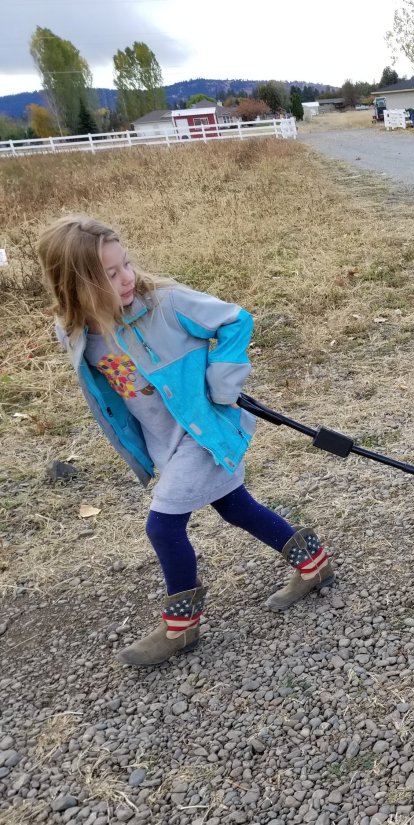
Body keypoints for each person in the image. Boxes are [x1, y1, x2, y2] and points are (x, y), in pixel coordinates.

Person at [37, 215, 335, 667]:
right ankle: (314, 564)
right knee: (235, 506)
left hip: (204, 434)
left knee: (163, 526)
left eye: (126, 264)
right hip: (165, 443)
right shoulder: (77, 333)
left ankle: (181, 628)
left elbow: (236, 320)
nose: (127, 278)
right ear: (75, 287)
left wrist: (223, 383)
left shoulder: (167, 304)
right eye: (110, 274)